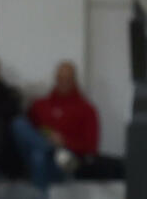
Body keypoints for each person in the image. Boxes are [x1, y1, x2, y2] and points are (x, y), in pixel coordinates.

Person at [14, 60, 107, 188]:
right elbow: (30, 131)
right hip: (41, 150)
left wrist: (64, 142)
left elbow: (91, 147)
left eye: (67, 79)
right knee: (19, 125)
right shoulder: (39, 105)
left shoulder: (87, 109)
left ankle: (48, 151)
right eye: (60, 78)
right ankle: (48, 148)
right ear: (55, 79)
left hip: (67, 159)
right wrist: (46, 135)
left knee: (39, 156)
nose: (63, 82)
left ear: (74, 80)